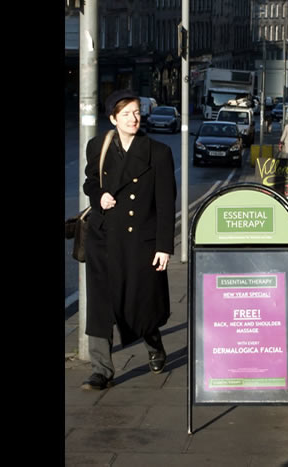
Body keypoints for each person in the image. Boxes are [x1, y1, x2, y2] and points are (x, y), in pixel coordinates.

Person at [81, 89, 177, 390]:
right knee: (101, 305)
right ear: (113, 119)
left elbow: (165, 202)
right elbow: (89, 181)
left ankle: (154, 344)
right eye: (126, 114)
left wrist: (164, 246)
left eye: (136, 112)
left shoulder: (157, 152)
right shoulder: (98, 146)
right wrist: (100, 196)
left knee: (139, 303)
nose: (134, 118)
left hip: (139, 242)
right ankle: (101, 370)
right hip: (104, 238)